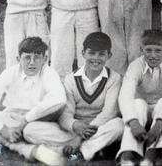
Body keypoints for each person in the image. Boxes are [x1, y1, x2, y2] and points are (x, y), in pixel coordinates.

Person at [0, 37, 66, 164]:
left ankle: (0, 145)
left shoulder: (49, 73)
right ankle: (20, 147)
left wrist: (25, 120)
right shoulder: (10, 72)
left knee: (29, 131)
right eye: (27, 57)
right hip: (11, 120)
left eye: (37, 57)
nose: (32, 62)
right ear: (18, 59)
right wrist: (3, 129)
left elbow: (59, 98)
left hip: (36, 122)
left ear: (44, 59)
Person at [21, 32, 124, 162]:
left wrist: (81, 137)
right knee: (30, 130)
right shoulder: (70, 79)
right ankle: (86, 149)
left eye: (101, 54)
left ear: (109, 55)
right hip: (74, 130)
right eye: (91, 53)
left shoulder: (114, 78)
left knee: (118, 125)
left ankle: (78, 152)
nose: (96, 58)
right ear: (83, 53)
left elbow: (109, 113)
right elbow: (65, 114)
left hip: (98, 128)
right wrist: (74, 125)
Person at [117, 30, 162, 166]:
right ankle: (128, 155)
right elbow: (125, 95)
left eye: (158, 51)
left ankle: (151, 156)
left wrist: (159, 124)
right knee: (138, 102)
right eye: (148, 50)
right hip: (141, 113)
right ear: (141, 49)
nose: (153, 55)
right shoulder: (135, 65)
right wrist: (133, 122)